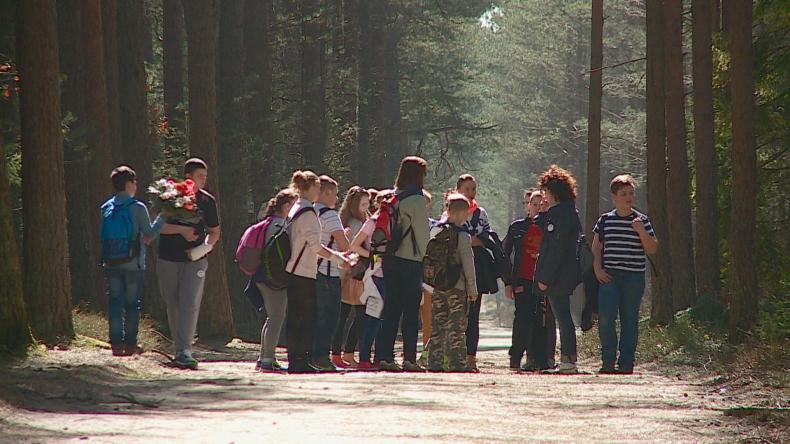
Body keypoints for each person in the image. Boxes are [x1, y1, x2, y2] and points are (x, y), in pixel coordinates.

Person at [157, 158, 219, 370]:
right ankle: (179, 346)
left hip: (196, 260)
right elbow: (158, 227)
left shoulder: (207, 201)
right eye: (200, 176)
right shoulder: (170, 196)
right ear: (188, 177)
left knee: (190, 303)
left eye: (205, 176)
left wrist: (203, 249)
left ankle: (185, 350)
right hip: (168, 257)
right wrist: (182, 230)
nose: (204, 180)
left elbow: (214, 232)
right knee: (172, 302)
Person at [285, 170, 350, 374]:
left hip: (293, 268)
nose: (319, 191)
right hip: (303, 270)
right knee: (306, 317)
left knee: (296, 318)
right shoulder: (307, 212)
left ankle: (297, 359)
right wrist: (339, 258)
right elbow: (316, 246)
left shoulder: (295, 208)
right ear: (310, 188)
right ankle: (301, 361)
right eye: (317, 188)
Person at [593, 175, 658, 375]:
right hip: (609, 276)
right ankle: (608, 361)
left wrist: (641, 232)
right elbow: (596, 247)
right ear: (614, 196)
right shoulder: (605, 220)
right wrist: (597, 268)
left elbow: (653, 248)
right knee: (606, 318)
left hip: (633, 277)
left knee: (630, 319)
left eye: (631, 193)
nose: (628, 197)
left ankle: (627, 362)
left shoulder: (641, 220)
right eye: (623, 194)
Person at [100, 166, 165, 356]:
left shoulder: (106, 207)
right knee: (131, 303)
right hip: (133, 263)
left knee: (115, 302)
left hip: (111, 261)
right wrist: (163, 217)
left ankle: (115, 344)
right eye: (134, 182)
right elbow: (149, 235)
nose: (136, 186)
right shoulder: (137, 207)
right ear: (128, 184)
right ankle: (130, 344)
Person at [377, 156, 430, 372]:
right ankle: (409, 358)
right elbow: (422, 235)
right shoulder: (416, 200)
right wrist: (426, 259)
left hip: (389, 259)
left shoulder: (392, 197)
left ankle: (385, 357)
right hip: (411, 260)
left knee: (390, 309)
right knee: (410, 311)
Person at [534, 165, 583, 374]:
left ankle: (568, 360)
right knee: (563, 315)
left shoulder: (561, 214)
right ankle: (568, 358)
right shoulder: (563, 212)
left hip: (558, 275)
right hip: (564, 272)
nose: (543, 196)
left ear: (553, 192)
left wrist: (545, 277)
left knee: (562, 316)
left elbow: (555, 249)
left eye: (545, 192)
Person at [503, 189, 556, 371]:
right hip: (523, 280)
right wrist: (508, 282)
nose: (538, 208)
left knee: (542, 321)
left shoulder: (551, 228)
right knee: (522, 319)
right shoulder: (517, 227)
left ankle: (540, 360)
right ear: (528, 206)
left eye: (543, 205)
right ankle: (515, 358)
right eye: (535, 204)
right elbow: (505, 254)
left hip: (544, 281)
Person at [427, 194, 478, 372]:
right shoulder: (462, 235)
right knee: (456, 326)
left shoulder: (436, 230)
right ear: (464, 213)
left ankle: (435, 362)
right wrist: (472, 289)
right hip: (457, 287)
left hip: (438, 286)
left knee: (438, 325)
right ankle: (457, 363)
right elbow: (468, 264)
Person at [253, 189, 298, 373]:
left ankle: (264, 357)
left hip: (262, 275)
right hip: (274, 277)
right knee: (276, 317)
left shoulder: (268, 223)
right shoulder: (282, 226)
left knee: (272, 317)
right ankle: (267, 360)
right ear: (287, 206)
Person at [348, 189, 393, 370]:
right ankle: (365, 358)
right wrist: (374, 257)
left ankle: (375, 357)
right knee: (373, 318)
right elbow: (354, 245)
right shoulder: (373, 222)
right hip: (375, 277)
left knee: (379, 318)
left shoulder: (386, 222)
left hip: (384, 275)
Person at [455, 174, 495, 371]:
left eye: (473, 189)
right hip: (454, 268)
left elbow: (487, 237)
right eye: (467, 189)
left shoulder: (481, 213)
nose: (470, 193)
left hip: (476, 267)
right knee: (455, 313)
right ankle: (454, 355)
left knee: (473, 314)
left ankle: (471, 358)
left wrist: (473, 240)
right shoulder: (451, 212)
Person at [310, 175, 351, 371]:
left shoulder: (308, 212)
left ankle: (310, 354)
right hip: (328, 272)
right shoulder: (330, 215)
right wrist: (346, 235)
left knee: (314, 315)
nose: (336, 198)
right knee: (330, 316)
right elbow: (344, 245)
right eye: (334, 194)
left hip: (309, 271)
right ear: (325, 192)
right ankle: (321, 357)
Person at [331, 186, 370, 368]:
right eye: (363, 204)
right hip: (354, 274)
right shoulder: (356, 224)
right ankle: (343, 353)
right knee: (353, 314)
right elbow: (353, 247)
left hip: (346, 274)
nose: (366, 207)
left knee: (344, 315)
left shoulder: (347, 220)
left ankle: (340, 353)